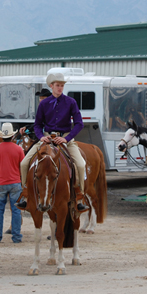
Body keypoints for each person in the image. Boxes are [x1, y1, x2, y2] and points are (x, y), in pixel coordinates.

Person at [16, 73, 89, 212]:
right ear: (51, 86)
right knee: (24, 163)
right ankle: (25, 195)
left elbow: (79, 124)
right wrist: (41, 137)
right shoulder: (44, 103)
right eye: (57, 85)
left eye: (62, 85)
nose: (60, 88)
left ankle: (79, 197)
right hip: (47, 138)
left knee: (80, 164)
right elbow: (37, 124)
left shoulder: (71, 102)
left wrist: (66, 139)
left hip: (65, 138)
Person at [0, 123, 24, 243]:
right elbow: (22, 166)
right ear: (12, 136)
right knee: (16, 210)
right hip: (15, 182)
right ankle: (16, 236)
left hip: (1, 182)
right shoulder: (18, 149)